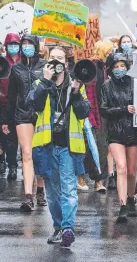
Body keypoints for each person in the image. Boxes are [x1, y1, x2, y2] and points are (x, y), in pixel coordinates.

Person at [27, 46, 91, 248]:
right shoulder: (39, 82)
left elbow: (84, 113)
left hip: (69, 146)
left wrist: (76, 93)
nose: (56, 61)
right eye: (52, 58)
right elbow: (34, 105)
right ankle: (58, 227)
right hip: (46, 146)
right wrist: (46, 81)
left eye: (60, 58)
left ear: (67, 62)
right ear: (46, 61)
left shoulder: (77, 84)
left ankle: (68, 228)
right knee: (53, 192)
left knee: (69, 189)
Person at [4, 35, 47, 211]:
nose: (27, 47)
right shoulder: (16, 69)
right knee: (27, 153)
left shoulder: (45, 66)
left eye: (30, 44)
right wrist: (6, 119)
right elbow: (11, 96)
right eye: (24, 44)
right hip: (22, 114)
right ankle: (28, 196)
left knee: (40, 153)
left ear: (36, 46)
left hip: (42, 114)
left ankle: (40, 189)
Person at [100, 53, 137, 222]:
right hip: (115, 132)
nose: (119, 69)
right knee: (122, 168)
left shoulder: (135, 83)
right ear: (111, 69)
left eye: (122, 66)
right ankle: (122, 205)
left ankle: (131, 198)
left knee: (132, 171)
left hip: (134, 131)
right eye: (116, 66)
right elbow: (103, 110)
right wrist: (123, 109)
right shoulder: (106, 86)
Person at [0, 33, 22, 178]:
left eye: (16, 44)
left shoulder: (24, 62)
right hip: (4, 106)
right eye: (11, 44)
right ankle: (11, 164)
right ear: (6, 46)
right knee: (7, 137)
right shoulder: (0, 63)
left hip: (21, 106)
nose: (14, 47)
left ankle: (16, 164)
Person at [83, 40, 112, 193]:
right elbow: (89, 91)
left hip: (104, 113)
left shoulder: (105, 68)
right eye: (107, 52)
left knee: (102, 147)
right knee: (94, 147)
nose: (110, 54)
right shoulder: (92, 67)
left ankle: (99, 179)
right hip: (93, 112)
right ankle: (96, 179)